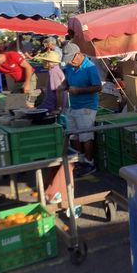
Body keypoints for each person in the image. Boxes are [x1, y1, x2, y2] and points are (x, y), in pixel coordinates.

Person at [57, 43, 102, 177]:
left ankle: (89, 162)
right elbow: (67, 81)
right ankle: (80, 160)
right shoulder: (70, 67)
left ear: (79, 54)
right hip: (74, 106)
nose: (70, 62)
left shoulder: (90, 68)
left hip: (87, 107)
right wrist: (63, 86)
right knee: (74, 135)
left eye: (72, 58)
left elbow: (98, 87)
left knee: (86, 136)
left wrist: (79, 90)